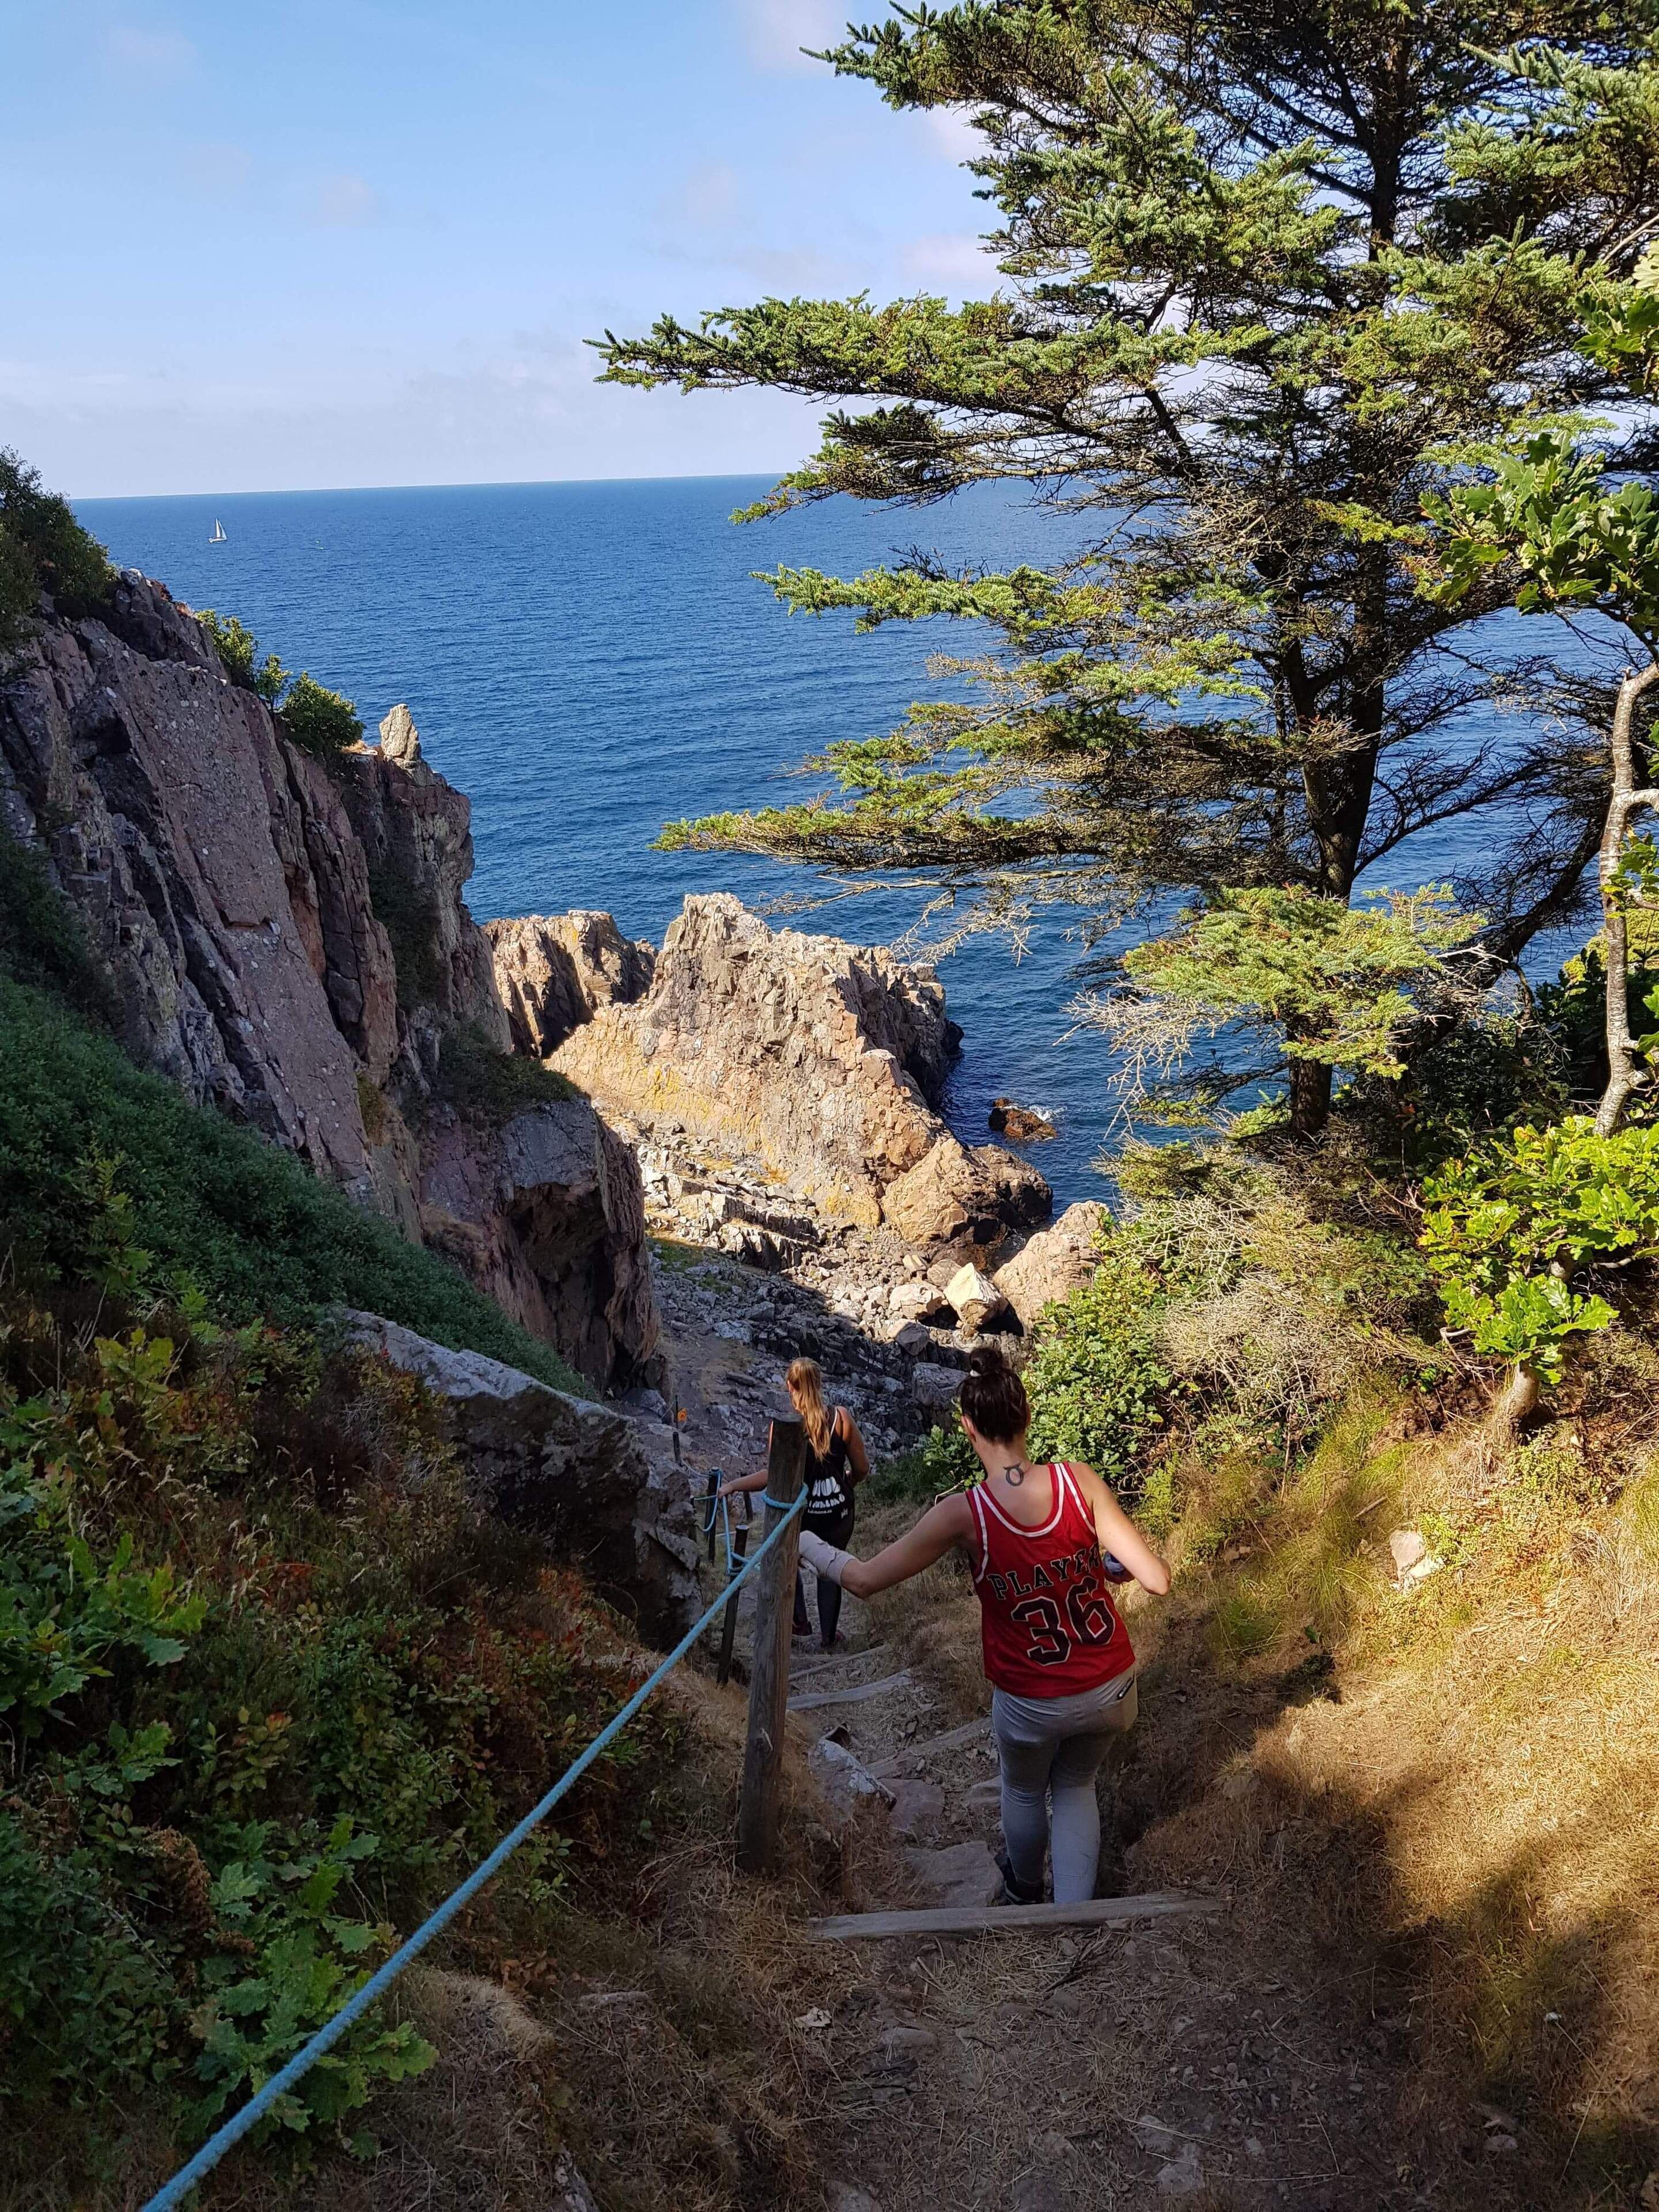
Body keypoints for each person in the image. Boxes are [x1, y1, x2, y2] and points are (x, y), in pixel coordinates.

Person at [797, 1344, 1170, 1906]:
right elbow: (1157, 1580)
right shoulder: (1080, 1483)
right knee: (1076, 1785)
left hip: (1032, 1697)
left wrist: (804, 1543)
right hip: (1110, 1685)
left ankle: (1024, 1887)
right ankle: (1073, 1915)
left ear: (968, 1428)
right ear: (1026, 1415)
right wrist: (1099, 1564)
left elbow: (866, 1581)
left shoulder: (964, 1515)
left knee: (1023, 1787)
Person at [718, 1357, 869, 1650]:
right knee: (831, 1568)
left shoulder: (786, 1430)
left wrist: (733, 1485)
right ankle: (828, 1638)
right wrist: (846, 1482)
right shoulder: (842, 1419)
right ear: (819, 1384)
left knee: (787, 1557)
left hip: (804, 1516)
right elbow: (862, 1468)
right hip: (839, 1512)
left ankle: (799, 1620)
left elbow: (773, 1477)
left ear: (791, 1387)